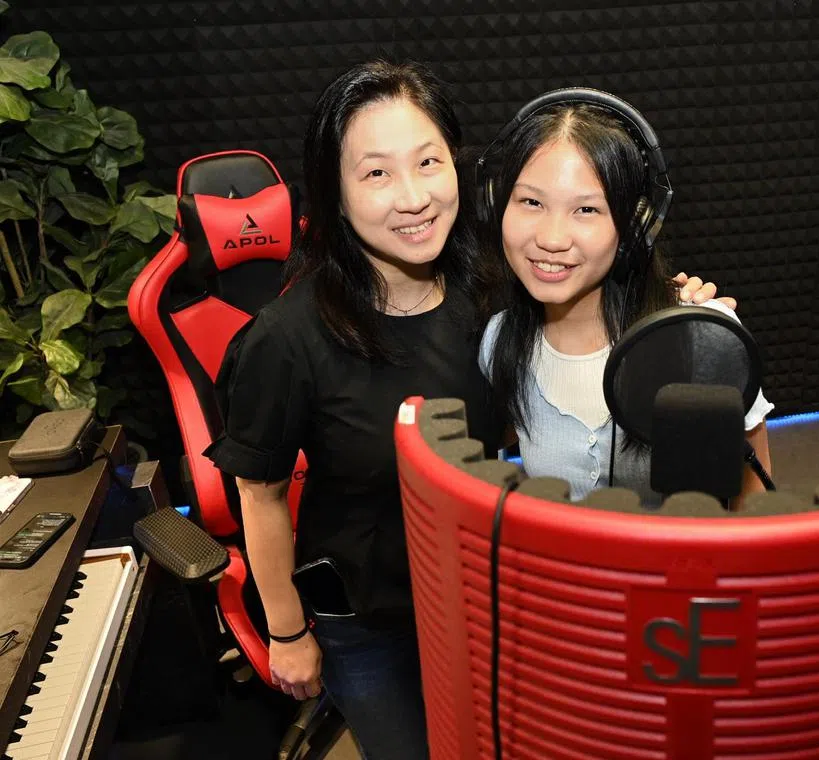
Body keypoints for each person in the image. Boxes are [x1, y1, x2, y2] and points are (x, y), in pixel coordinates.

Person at [203, 61, 725, 758]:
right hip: (367, 618)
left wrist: (684, 322)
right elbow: (259, 493)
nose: (413, 196)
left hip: (479, 598)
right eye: (377, 174)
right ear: (334, 191)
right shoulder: (289, 337)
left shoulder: (490, 290)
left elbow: (596, 294)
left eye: (428, 162)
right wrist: (287, 631)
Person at [479, 91, 775, 505]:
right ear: (496, 205)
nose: (550, 239)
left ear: (634, 228)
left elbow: (753, 499)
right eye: (531, 202)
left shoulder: (700, 336)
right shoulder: (500, 342)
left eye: (586, 210)